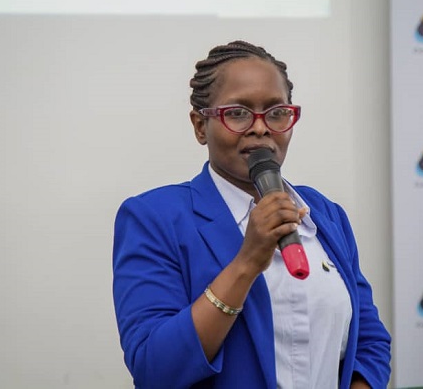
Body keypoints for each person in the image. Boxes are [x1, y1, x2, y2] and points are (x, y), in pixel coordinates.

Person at [112, 40, 391, 389]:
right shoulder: (154, 218)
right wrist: (247, 262)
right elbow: (154, 369)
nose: (261, 127)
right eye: (238, 113)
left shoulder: (325, 214)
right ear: (200, 126)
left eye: (276, 112)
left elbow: (369, 343)